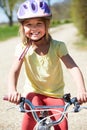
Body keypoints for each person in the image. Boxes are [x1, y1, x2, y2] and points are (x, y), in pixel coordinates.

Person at [7, 0, 87, 130]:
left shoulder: (57, 46)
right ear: (23, 27)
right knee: (30, 115)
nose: (34, 28)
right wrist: (12, 90)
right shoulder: (22, 48)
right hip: (33, 92)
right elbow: (14, 71)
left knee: (62, 124)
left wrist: (81, 89)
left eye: (39, 23)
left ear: (47, 25)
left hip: (54, 94)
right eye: (28, 24)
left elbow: (72, 68)